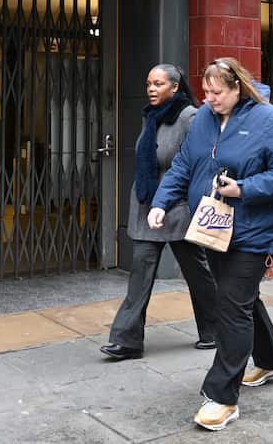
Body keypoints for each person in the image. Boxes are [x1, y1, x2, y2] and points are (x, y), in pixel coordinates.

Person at [148, 56, 273, 432]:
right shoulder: (204, 119)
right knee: (240, 299)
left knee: (231, 305)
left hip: (257, 230)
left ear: (238, 88)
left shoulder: (271, 120)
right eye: (206, 92)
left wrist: (244, 189)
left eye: (217, 92)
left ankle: (221, 397)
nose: (209, 99)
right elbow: (184, 164)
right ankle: (271, 360)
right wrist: (161, 202)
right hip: (215, 227)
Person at [101, 64, 218, 360]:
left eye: (158, 84)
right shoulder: (151, 116)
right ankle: (126, 340)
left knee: (198, 273)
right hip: (146, 205)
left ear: (175, 87)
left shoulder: (189, 117)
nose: (151, 89)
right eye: (149, 83)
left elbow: (200, 163)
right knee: (140, 272)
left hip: (177, 207)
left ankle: (215, 330)